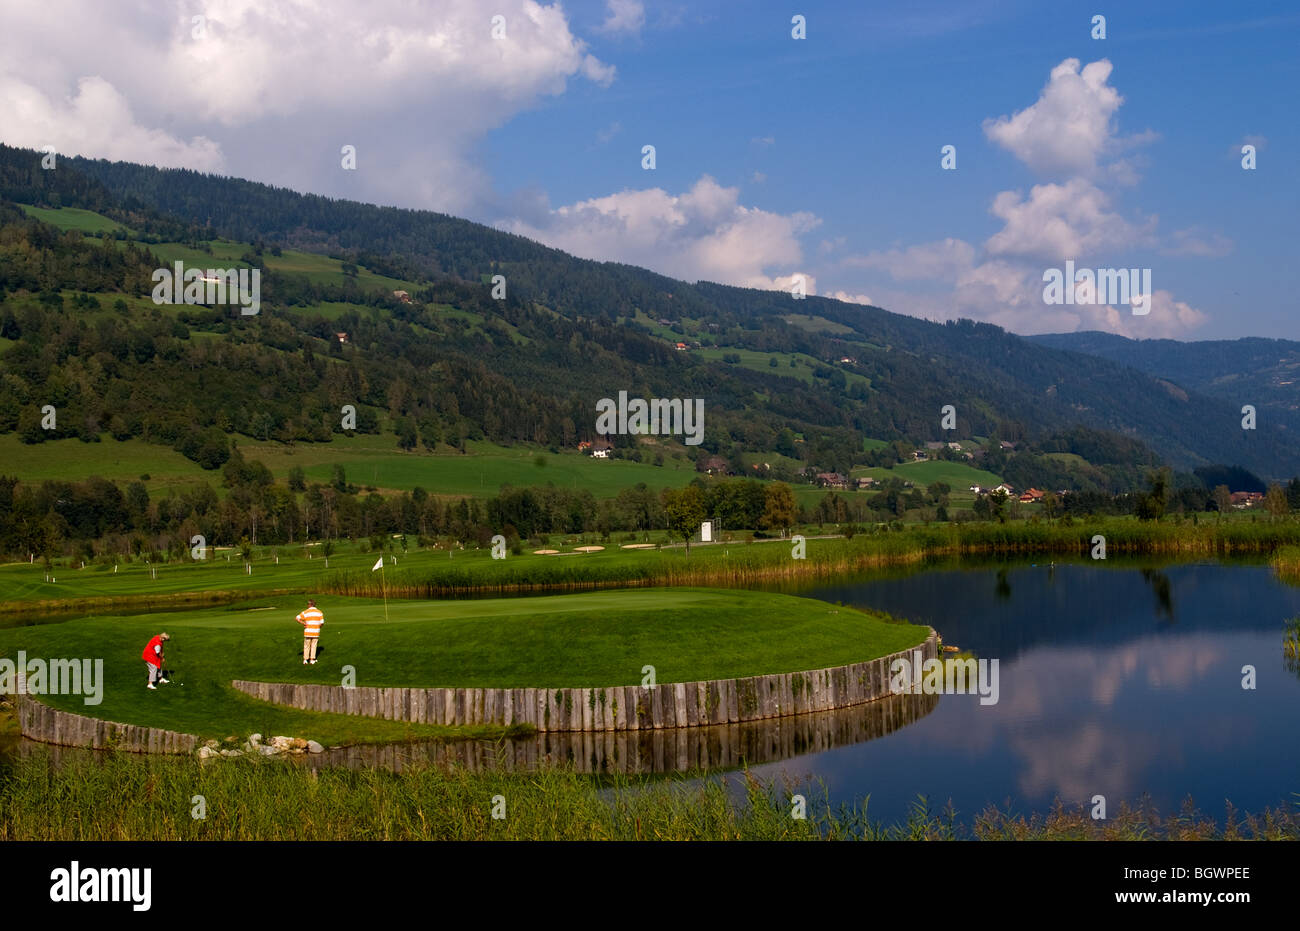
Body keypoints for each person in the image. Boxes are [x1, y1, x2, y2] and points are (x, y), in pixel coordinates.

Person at [296, 599, 325, 664]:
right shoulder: (319, 612)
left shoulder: (305, 612)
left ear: (309, 605)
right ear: (314, 605)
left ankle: (305, 660)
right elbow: (322, 623)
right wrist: (318, 627)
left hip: (308, 631)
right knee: (314, 646)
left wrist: (303, 623)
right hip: (315, 632)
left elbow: (297, 618)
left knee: (306, 646)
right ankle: (312, 660)